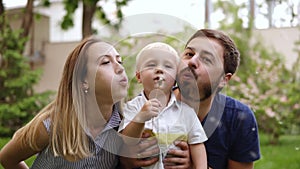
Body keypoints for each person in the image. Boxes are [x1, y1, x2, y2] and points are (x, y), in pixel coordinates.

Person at [0, 37, 129, 168]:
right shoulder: (52, 126)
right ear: (84, 81)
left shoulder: (125, 127)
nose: (120, 68)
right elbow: (7, 158)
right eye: (105, 62)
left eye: (120, 61)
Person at [175, 29, 261, 169]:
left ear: (223, 79)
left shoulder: (239, 118)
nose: (192, 61)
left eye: (206, 59)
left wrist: (195, 165)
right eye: (189, 54)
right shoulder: (150, 106)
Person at [118, 42, 207, 169]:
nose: (159, 69)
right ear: (139, 76)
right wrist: (140, 118)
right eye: (151, 65)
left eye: (168, 66)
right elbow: (126, 141)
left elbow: (197, 144)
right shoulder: (132, 108)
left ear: (176, 78)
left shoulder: (186, 113)